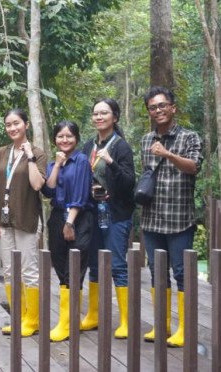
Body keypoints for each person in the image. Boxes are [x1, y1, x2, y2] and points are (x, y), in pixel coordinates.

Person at [140, 86, 202, 348]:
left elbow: (194, 167)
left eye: (162, 105)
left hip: (179, 219)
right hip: (151, 219)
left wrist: (168, 154)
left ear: (173, 108)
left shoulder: (189, 137)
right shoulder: (145, 140)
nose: (158, 111)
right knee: (157, 273)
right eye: (153, 107)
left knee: (182, 273)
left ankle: (185, 329)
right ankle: (162, 324)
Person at [79, 98, 136, 339]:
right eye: (96, 114)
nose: (99, 117)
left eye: (104, 113)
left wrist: (111, 162)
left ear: (115, 117)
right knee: (94, 263)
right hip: (92, 214)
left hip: (116, 214)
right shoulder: (88, 146)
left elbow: (128, 182)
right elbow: (82, 174)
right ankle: (93, 314)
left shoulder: (121, 147)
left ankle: (125, 320)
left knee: (118, 266)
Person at [0, 108, 46, 337]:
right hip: (4, 219)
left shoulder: (38, 153)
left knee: (28, 270)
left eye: (17, 124)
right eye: (8, 125)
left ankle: (33, 320)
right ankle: (19, 316)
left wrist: (30, 155)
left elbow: (37, 184)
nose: (13, 128)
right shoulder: (2, 153)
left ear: (26, 125)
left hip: (27, 218)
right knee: (10, 270)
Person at [42, 121, 92, 342]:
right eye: (60, 136)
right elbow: (48, 191)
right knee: (60, 266)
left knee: (74, 268)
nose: (65, 140)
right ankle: (68, 320)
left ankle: (67, 323)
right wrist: (57, 166)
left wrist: (70, 224)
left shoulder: (81, 160)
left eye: (69, 136)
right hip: (57, 215)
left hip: (78, 218)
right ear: (55, 139)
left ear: (76, 138)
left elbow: (80, 195)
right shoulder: (54, 162)